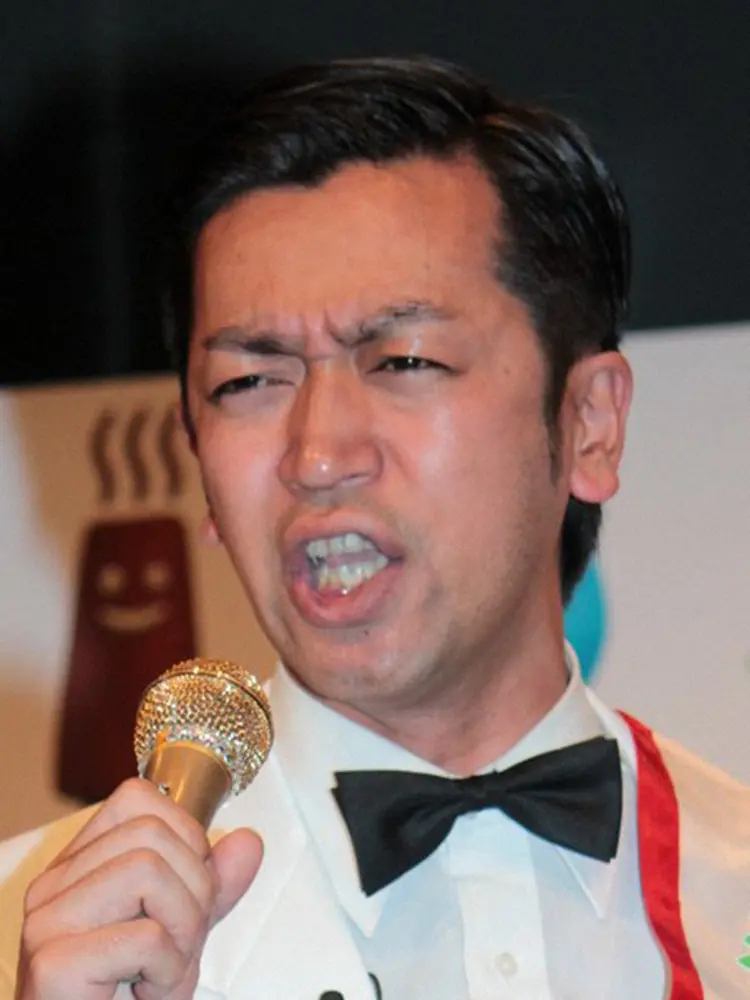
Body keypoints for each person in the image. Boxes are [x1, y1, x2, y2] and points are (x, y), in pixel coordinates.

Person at [0, 55, 747, 1000]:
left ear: (588, 425)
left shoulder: (731, 886)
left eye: (403, 360)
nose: (318, 454)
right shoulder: (34, 941)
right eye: (249, 381)